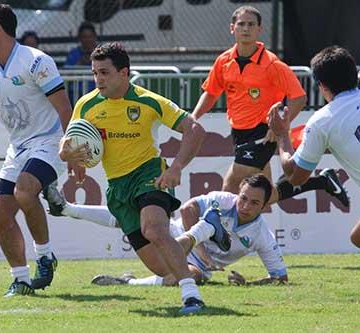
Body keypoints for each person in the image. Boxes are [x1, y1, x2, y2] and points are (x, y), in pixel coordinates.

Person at [58, 42, 209, 315]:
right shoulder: (87, 104)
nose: (98, 79)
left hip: (149, 173)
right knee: (162, 269)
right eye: (95, 73)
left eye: (104, 72)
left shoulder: (149, 101)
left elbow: (195, 130)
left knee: (154, 229)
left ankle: (192, 297)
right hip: (117, 187)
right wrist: (71, 156)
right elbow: (68, 145)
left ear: (124, 73)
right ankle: (192, 257)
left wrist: (175, 168)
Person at [0, 2, 74, 297]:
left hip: (48, 142)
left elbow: (64, 108)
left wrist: (73, 149)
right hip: (18, 149)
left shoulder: (36, 61)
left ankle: (44, 256)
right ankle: (20, 279)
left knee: (24, 190)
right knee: (0, 213)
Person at [191, 5, 349, 208]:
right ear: (232, 28)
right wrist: (193, 118)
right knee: (263, 198)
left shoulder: (272, 64)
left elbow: (299, 98)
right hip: (238, 132)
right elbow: (211, 92)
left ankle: (215, 234)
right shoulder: (223, 61)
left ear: (259, 29)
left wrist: (279, 127)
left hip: (262, 133)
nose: (245, 28)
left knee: (231, 186)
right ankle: (322, 181)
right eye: (241, 24)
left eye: (251, 24)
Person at [46, 174, 288, 287]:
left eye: (254, 203)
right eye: (243, 198)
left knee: (193, 275)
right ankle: (68, 209)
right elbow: (188, 208)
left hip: (199, 267)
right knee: (137, 219)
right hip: (175, 234)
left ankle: (128, 283)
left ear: (265, 206)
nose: (245, 206)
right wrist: (201, 249)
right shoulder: (224, 200)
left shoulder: (261, 235)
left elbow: (280, 278)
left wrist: (249, 284)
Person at [268, 46, 360, 248]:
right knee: (357, 237)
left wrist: (282, 134)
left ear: (321, 85)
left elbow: (295, 176)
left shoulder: (322, 121)